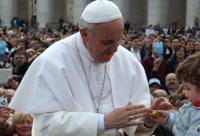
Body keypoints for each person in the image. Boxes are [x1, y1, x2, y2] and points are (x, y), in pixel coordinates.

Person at [9, 0, 156, 136]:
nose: (115, 50)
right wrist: (103, 122)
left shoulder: (127, 62)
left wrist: (148, 122)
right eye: (107, 42)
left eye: (118, 41)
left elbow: (134, 126)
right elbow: (46, 127)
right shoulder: (52, 62)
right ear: (84, 34)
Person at [147, 52, 200, 136]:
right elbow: (183, 120)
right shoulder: (191, 106)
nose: (184, 93)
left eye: (188, 89)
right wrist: (167, 118)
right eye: (184, 88)